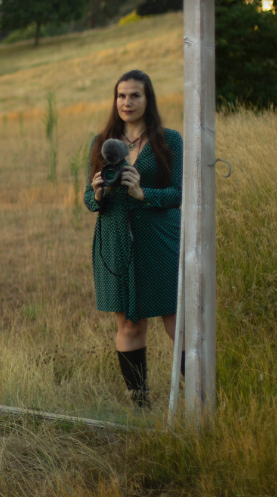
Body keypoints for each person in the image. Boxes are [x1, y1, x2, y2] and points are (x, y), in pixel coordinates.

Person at [83, 70, 184, 409]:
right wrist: (97, 194)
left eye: (134, 95)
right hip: (115, 241)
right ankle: (140, 405)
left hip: (160, 240)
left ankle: (200, 398)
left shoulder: (170, 140)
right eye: (121, 96)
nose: (127, 102)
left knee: (177, 323)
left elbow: (178, 194)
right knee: (129, 324)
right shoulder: (101, 143)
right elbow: (86, 198)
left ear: (148, 99)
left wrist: (143, 193)